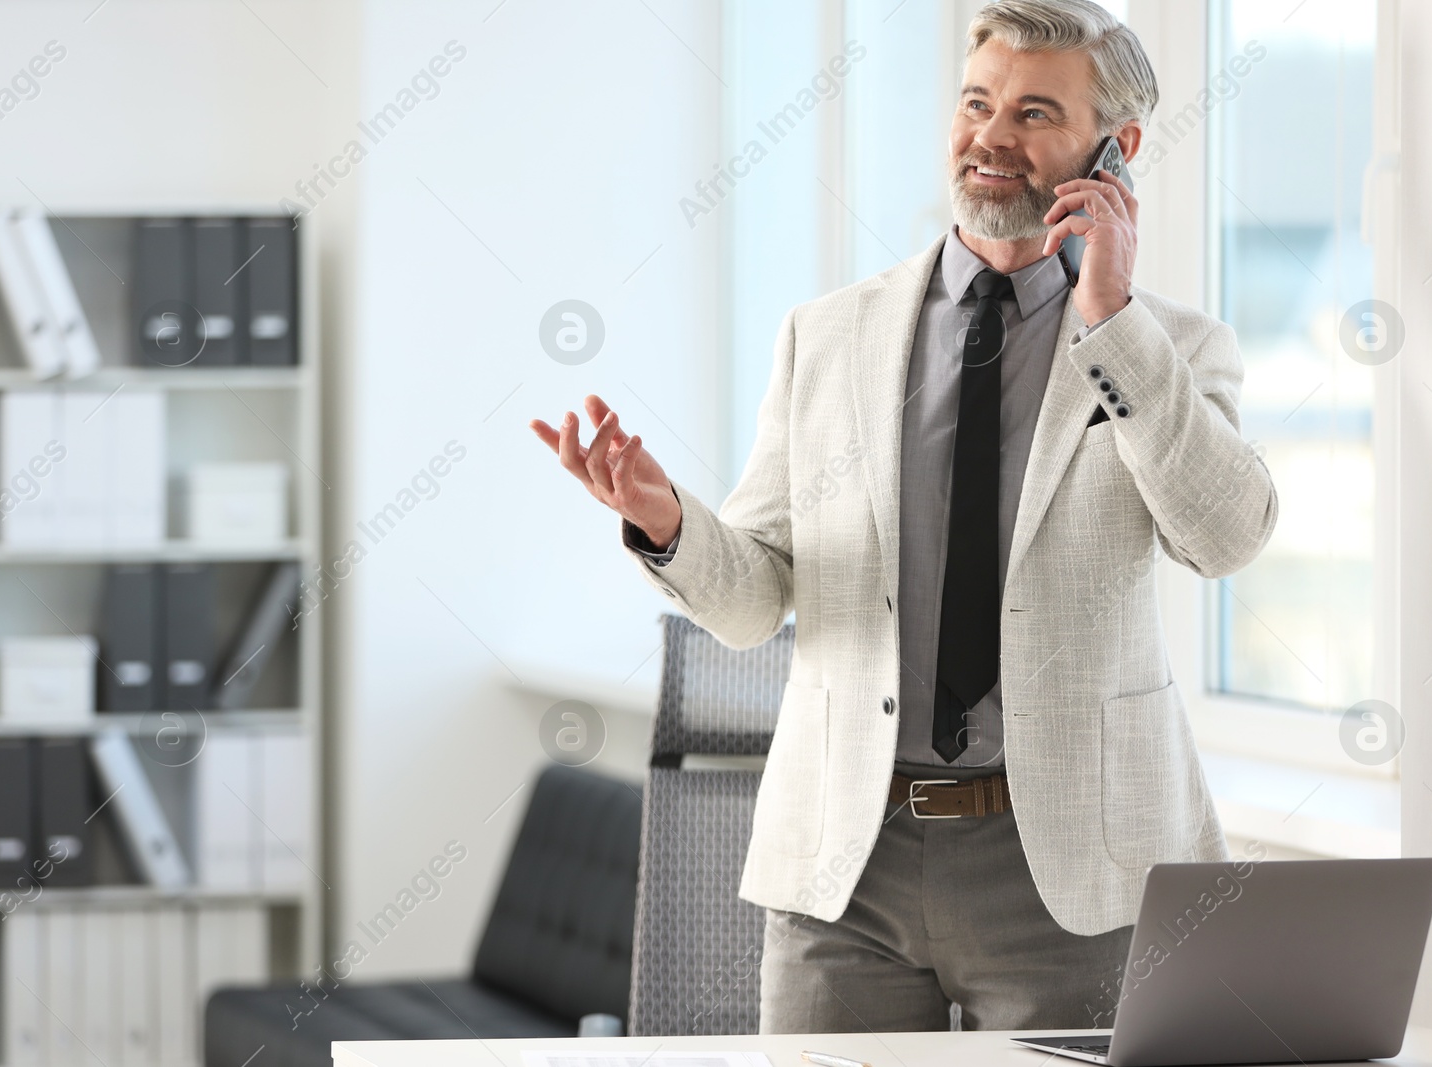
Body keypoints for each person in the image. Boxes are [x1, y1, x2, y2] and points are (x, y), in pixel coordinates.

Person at [530, 0, 1277, 1035]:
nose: (990, 138)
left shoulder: (1174, 349)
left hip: (1068, 865)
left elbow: (1227, 535)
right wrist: (665, 522)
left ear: (1119, 148)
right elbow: (753, 602)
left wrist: (1111, 318)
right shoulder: (828, 336)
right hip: (848, 866)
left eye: (1032, 113)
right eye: (976, 103)